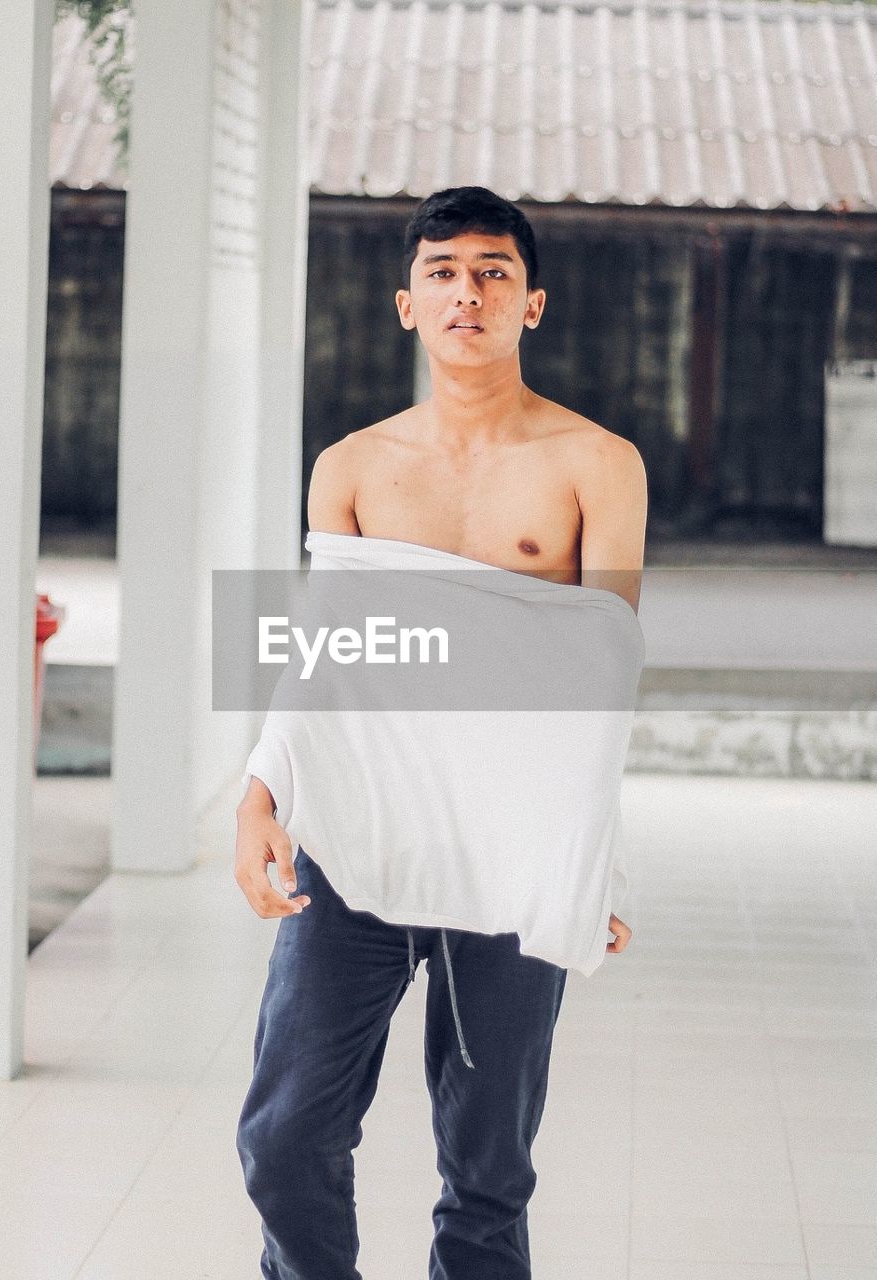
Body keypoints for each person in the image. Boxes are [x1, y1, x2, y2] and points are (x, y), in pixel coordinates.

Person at [234, 185, 648, 1279]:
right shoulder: (352, 466)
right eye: (445, 271)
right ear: (407, 303)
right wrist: (259, 797)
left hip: (509, 854)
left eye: (493, 271)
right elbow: (325, 650)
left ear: (533, 302)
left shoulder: (595, 464)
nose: (469, 291)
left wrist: (591, 860)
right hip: (358, 837)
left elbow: (598, 684)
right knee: (281, 1138)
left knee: (487, 1173)